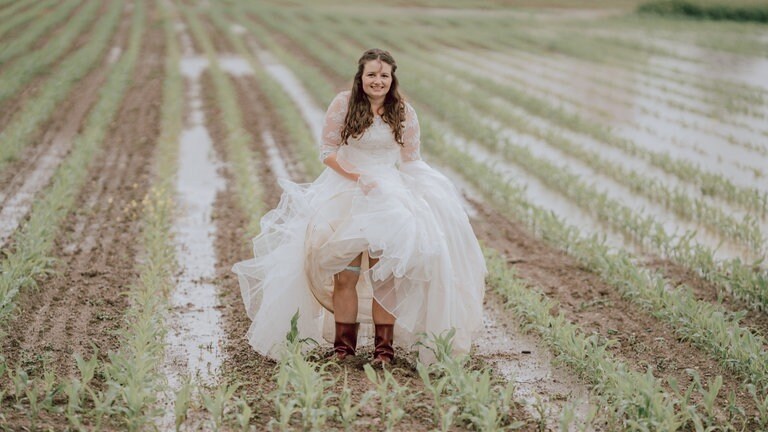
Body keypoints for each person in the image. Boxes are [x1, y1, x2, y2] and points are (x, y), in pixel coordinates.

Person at [232, 48, 486, 365]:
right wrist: (357, 177)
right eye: (371, 75)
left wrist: (432, 191)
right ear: (361, 77)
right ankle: (343, 348)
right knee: (345, 276)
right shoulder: (345, 103)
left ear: (392, 79)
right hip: (345, 193)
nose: (377, 81)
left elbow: (410, 160)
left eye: (383, 75)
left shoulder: (403, 111)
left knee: (385, 278)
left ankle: (383, 351)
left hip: (389, 198)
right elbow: (328, 152)